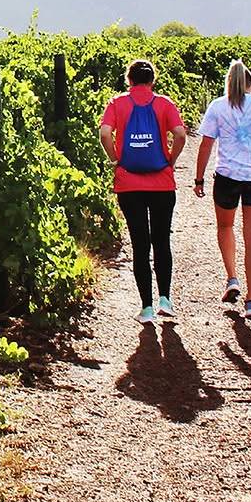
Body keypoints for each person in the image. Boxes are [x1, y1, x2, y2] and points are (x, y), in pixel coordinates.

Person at [192, 60, 251, 319]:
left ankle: (232, 277)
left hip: (227, 176)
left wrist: (199, 178)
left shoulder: (217, 106)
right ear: (250, 84)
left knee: (225, 227)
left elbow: (206, 144)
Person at [100, 59, 187, 324]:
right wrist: (171, 160)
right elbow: (180, 134)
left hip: (129, 184)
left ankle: (146, 307)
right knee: (162, 240)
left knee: (140, 243)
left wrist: (115, 159)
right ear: (152, 80)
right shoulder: (164, 103)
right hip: (162, 183)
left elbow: (105, 133)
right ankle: (165, 300)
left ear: (129, 80)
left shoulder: (117, 103)